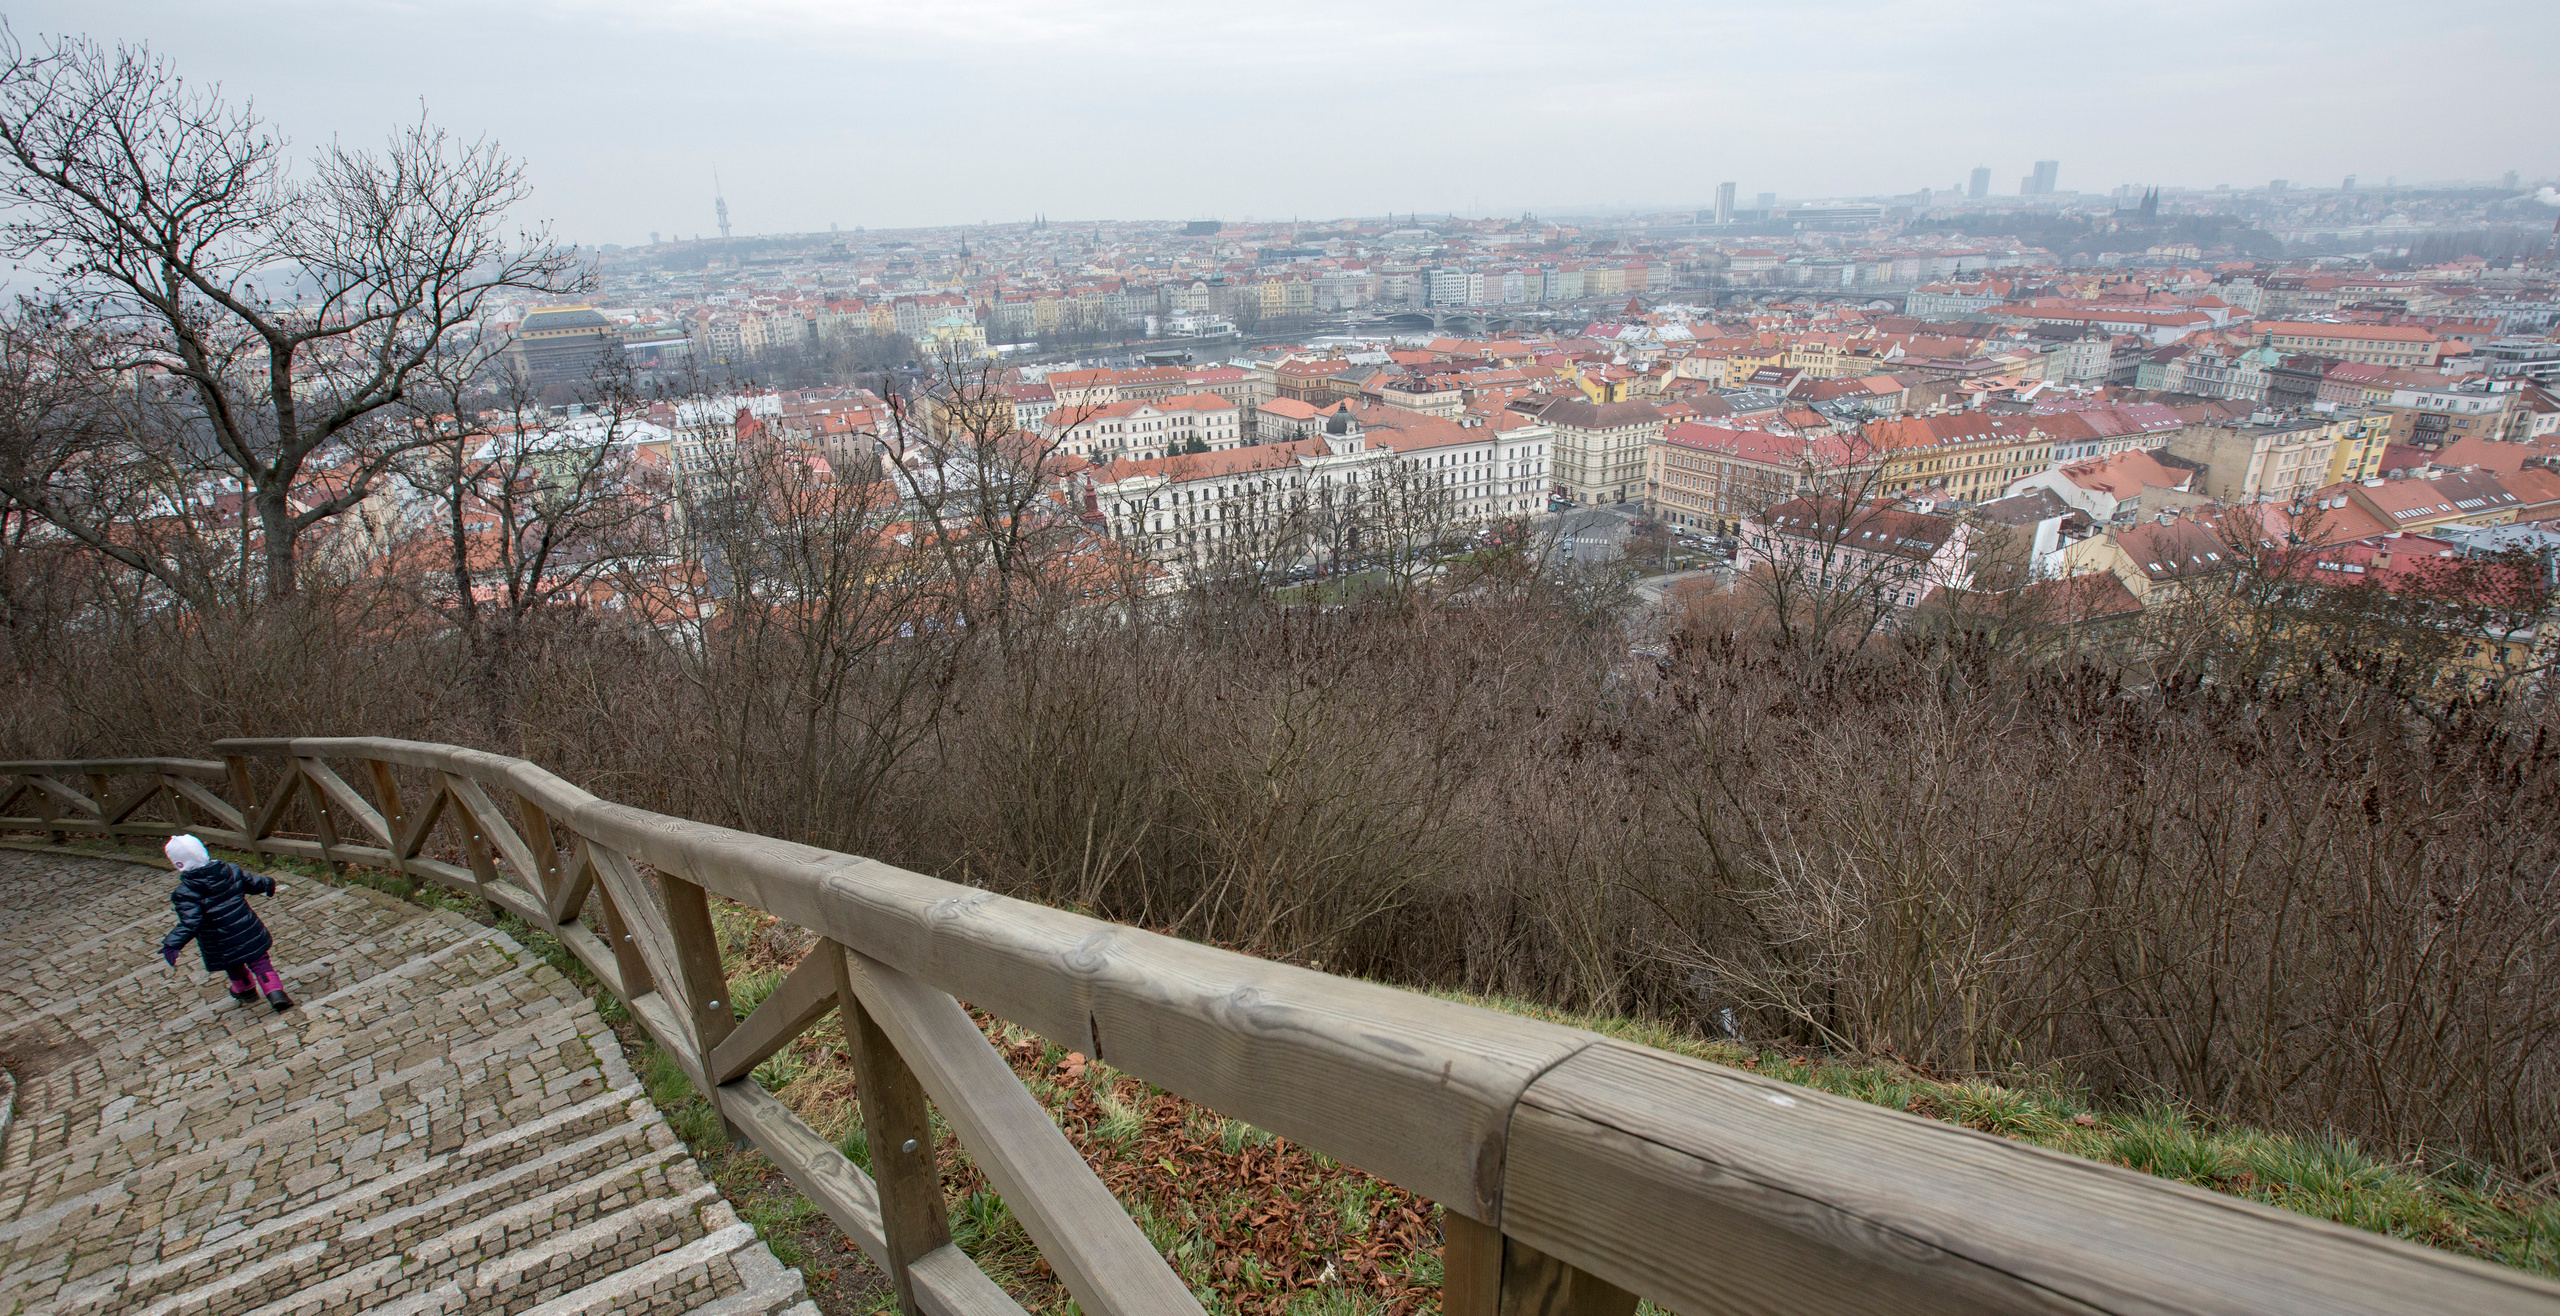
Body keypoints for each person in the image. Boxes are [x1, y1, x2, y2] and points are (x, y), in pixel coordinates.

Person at [159, 834, 294, 1012]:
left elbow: (191, 922)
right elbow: (254, 883)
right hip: (246, 929)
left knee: (233, 964)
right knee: (259, 960)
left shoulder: (184, 893)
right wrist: (269, 884)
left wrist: (172, 943)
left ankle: (245, 990)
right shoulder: (230, 870)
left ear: (178, 864)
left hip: (219, 941)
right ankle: (275, 993)